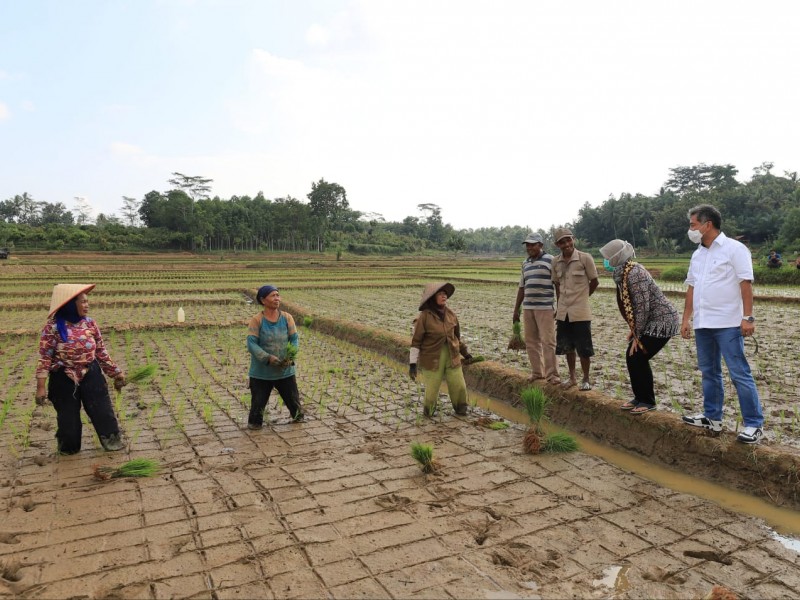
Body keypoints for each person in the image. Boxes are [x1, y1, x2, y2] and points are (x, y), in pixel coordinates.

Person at [680, 204, 765, 444]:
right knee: (709, 373)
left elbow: (745, 283)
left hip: (728, 323)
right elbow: (692, 288)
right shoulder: (698, 254)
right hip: (703, 323)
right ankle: (712, 417)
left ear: (707, 225)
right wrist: (686, 318)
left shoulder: (734, 249)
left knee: (739, 373)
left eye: (693, 225)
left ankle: (754, 424)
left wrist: (748, 317)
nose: (691, 229)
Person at [35, 284, 126, 454]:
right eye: (83, 302)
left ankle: (112, 442)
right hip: (63, 378)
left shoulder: (90, 323)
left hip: (90, 374)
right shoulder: (52, 327)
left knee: (103, 411)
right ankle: (68, 447)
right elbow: (45, 357)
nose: (87, 305)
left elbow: (101, 351)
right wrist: (40, 387)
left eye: (87, 302)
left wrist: (116, 373)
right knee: (68, 420)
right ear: (70, 304)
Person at [600, 239, 680, 414]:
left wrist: (637, 335)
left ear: (617, 257)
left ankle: (648, 401)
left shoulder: (635, 273)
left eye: (608, 257)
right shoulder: (622, 274)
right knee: (633, 356)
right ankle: (639, 397)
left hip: (662, 320)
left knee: (637, 355)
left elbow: (643, 306)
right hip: (650, 320)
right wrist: (634, 330)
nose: (605, 260)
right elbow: (631, 306)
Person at [409, 282, 472, 417]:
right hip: (432, 358)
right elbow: (416, 341)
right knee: (431, 391)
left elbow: (456, 338)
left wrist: (466, 354)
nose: (444, 297)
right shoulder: (425, 317)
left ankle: (461, 409)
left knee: (459, 385)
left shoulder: (451, 315)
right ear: (433, 297)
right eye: (440, 294)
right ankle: (429, 411)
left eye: (445, 294)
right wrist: (412, 364)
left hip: (452, 356)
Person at [246, 285, 302, 428]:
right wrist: (267, 358)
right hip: (262, 372)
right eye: (273, 295)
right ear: (263, 300)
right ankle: (255, 426)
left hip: (285, 369)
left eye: (278, 295)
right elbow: (252, 344)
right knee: (257, 409)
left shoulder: (287, 318)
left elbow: (294, 338)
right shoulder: (257, 320)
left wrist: (290, 355)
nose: (277, 298)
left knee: (295, 406)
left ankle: (298, 420)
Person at [551, 228, 599, 390]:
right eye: (562, 242)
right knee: (567, 347)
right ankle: (572, 378)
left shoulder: (585, 258)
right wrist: (559, 306)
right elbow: (557, 285)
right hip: (563, 312)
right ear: (557, 245)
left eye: (568, 240)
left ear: (573, 239)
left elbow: (594, 282)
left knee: (584, 348)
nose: (566, 244)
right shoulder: (555, 262)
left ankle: (586, 379)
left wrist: (583, 298)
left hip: (580, 311)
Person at [513, 232, 560, 385]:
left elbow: (557, 285)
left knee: (548, 341)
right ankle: (537, 372)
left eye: (532, 244)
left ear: (540, 245)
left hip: (545, 307)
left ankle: (552, 374)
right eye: (527, 245)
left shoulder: (551, 260)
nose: (529, 247)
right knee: (531, 341)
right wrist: (516, 309)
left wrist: (559, 306)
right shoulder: (525, 263)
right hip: (528, 307)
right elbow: (522, 287)